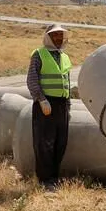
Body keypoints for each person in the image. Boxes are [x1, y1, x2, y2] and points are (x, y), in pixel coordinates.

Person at [26, 24, 72, 189]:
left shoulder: (65, 57)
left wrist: (68, 105)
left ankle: (54, 177)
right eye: (55, 35)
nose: (59, 38)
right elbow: (32, 79)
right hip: (45, 104)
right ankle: (45, 180)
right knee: (45, 142)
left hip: (61, 105)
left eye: (61, 35)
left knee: (61, 142)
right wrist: (41, 99)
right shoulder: (39, 55)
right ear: (48, 37)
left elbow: (66, 81)